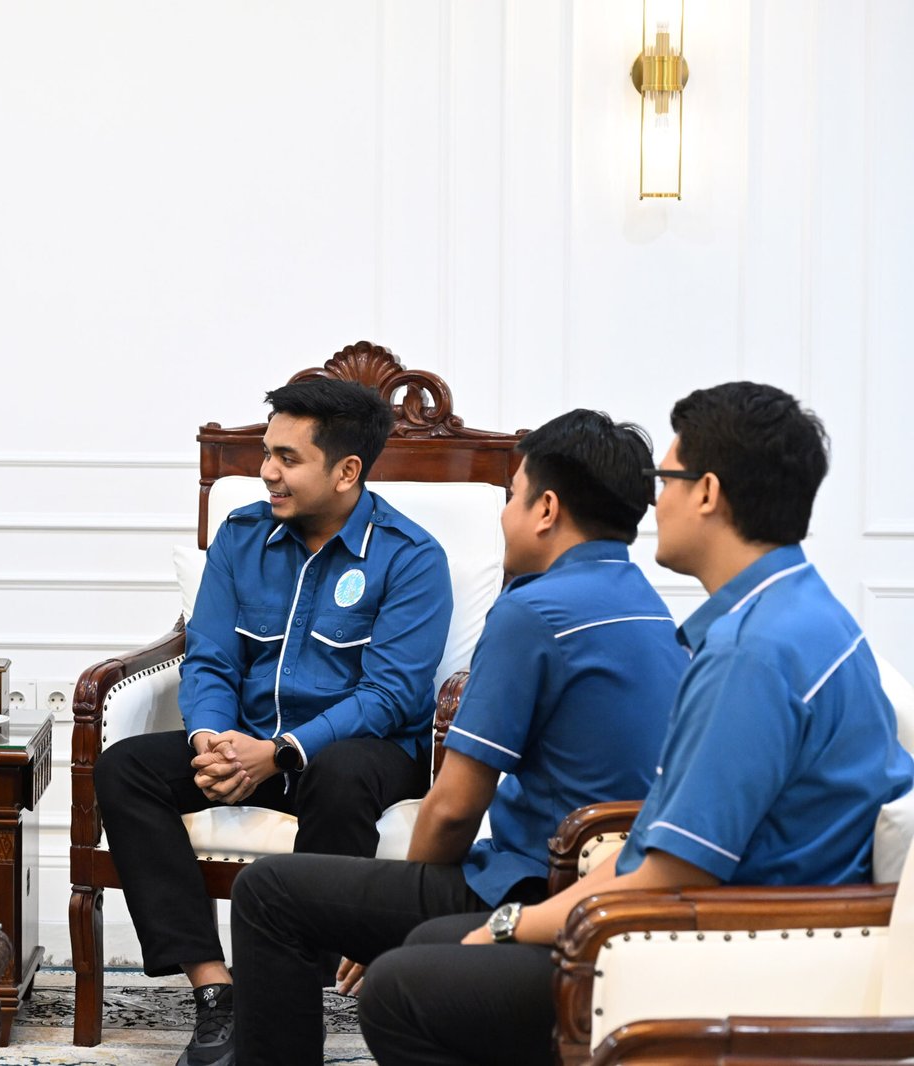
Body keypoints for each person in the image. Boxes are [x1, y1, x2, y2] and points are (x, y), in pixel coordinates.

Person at [355, 382, 914, 1066]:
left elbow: (671, 874)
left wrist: (511, 923)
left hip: (732, 952)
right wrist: (510, 924)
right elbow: (662, 845)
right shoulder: (805, 610)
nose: (656, 502)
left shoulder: (751, 654)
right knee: (429, 948)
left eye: (667, 480)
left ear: (706, 493)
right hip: (750, 923)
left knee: (401, 989)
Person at [227, 408, 687, 1065]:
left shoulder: (534, 610)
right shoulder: (646, 604)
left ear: (546, 509)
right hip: (601, 879)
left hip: (537, 883)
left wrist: (382, 919)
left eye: (514, 496)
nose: (505, 515)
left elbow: (452, 808)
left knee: (267, 892)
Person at [94, 377, 453, 1066]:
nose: (267, 472)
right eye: (267, 452)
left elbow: (390, 696)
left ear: (346, 471)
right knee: (125, 769)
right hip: (247, 743)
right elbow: (209, 658)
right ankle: (215, 991)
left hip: (356, 752)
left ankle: (290, 1002)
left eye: (288, 458)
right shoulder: (243, 535)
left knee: (342, 775)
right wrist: (212, 741)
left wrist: (282, 752)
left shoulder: (411, 558)